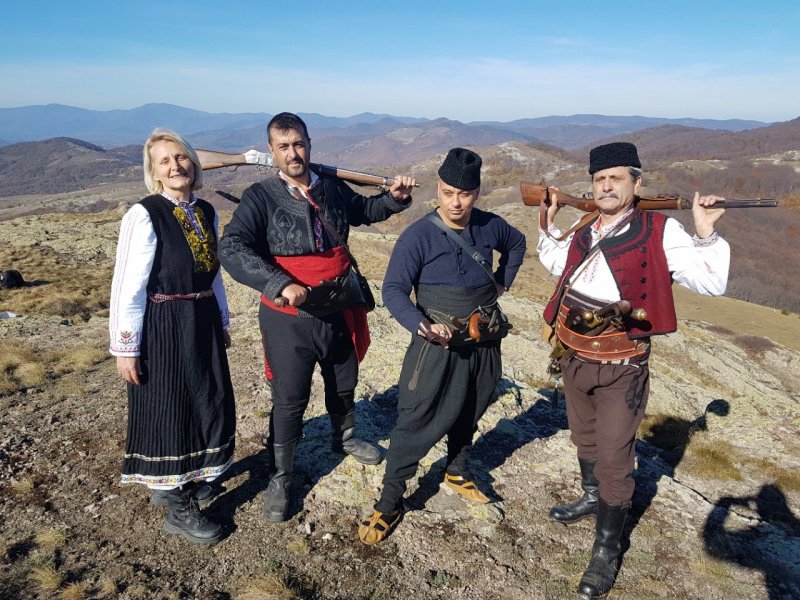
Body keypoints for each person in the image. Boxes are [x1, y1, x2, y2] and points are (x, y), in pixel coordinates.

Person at [537, 141, 729, 598]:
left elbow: (711, 282)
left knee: (615, 459)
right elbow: (557, 263)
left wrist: (705, 233)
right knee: (583, 437)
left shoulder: (661, 229)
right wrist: (548, 221)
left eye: (616, 178)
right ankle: (590, 497)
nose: (606, 186)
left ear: (636, 183)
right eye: (599, 179)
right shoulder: (585, 226)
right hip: (573, 354)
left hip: (621, 364)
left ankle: (606, 550)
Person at [218, 112, 415, 523]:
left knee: (343, 380)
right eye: (284, 147)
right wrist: (278, 282)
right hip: (288, 316)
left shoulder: (331, 187)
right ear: (271, 151)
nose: (293, 153)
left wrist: (395, 199)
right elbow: (232, 248)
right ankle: (281, 475)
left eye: (299, 144)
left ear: (309, 144)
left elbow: (365, 209)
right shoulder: (260, 197)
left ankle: (344, 438)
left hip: (340, 303)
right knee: (290, 398)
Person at [358, 147, 526, 545]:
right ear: (438, 188)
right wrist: (422, 325)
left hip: (484, 342)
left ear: (477, 192)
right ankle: (390, 501)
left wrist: (502, 284)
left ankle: (457, 470)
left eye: (464, 194)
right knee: (415, 419)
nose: (456, 202)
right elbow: (393, 290)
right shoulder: (418, 236)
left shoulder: (490, 226)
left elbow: (517, 243)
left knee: (472, 406)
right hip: (436, 345)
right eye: (448, 192)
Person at [109, 129, 236, 545]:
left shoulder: (206, 212)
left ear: (194, 164)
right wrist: (126, 348)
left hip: (201, 318)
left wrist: (222, 322)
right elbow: (128, 285)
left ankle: (185, 478)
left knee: (205, 398)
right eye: (164, 161)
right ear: (155, 172)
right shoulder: (144, 214)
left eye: (181, 157)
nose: (175, 166)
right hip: (163, 323)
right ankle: (178, 507)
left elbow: (213, 275)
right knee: (170, 406)